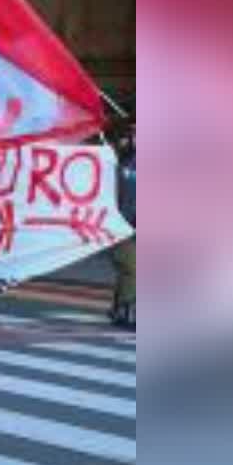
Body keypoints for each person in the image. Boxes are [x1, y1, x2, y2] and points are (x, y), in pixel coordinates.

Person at [108, 119, 135, 328]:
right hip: (119, 226)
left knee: (128, 270)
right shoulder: (119, 163)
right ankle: (126, 310)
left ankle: (117, 309)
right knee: (132, 268)